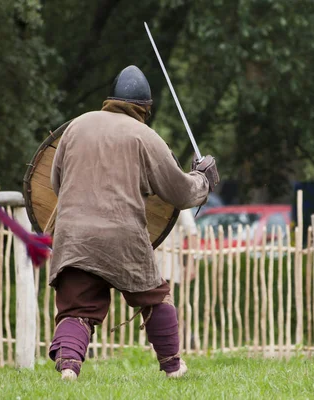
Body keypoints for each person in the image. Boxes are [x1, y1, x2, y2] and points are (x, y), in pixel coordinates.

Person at [48, 65, 219, 380]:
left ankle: (69, 368)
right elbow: (179, 193)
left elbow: (56, 182)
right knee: (154, 297)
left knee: (77, 309)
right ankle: (173, 367)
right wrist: (203, 179)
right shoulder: (146, 137)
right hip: (123, 235)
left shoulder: (76, 126)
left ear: (109, 99)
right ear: (146, 108)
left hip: (74, 235)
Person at [156, 208, 198, 284]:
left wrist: (190, 264)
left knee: (165, 294)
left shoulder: (180, 204)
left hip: (168, 266)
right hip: (148, 263)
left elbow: (191, 234)